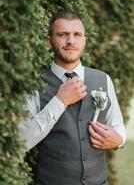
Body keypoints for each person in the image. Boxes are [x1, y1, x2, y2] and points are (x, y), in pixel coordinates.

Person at [19, 11, 126, 185]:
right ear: (48, 41)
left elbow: (117, 125)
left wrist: (119, 140)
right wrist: (60, 101)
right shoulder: (34, 85)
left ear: (84, 40)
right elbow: (21, 141)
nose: (71, 41)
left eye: (77, 35)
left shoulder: (103, 79)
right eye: (62, 35)